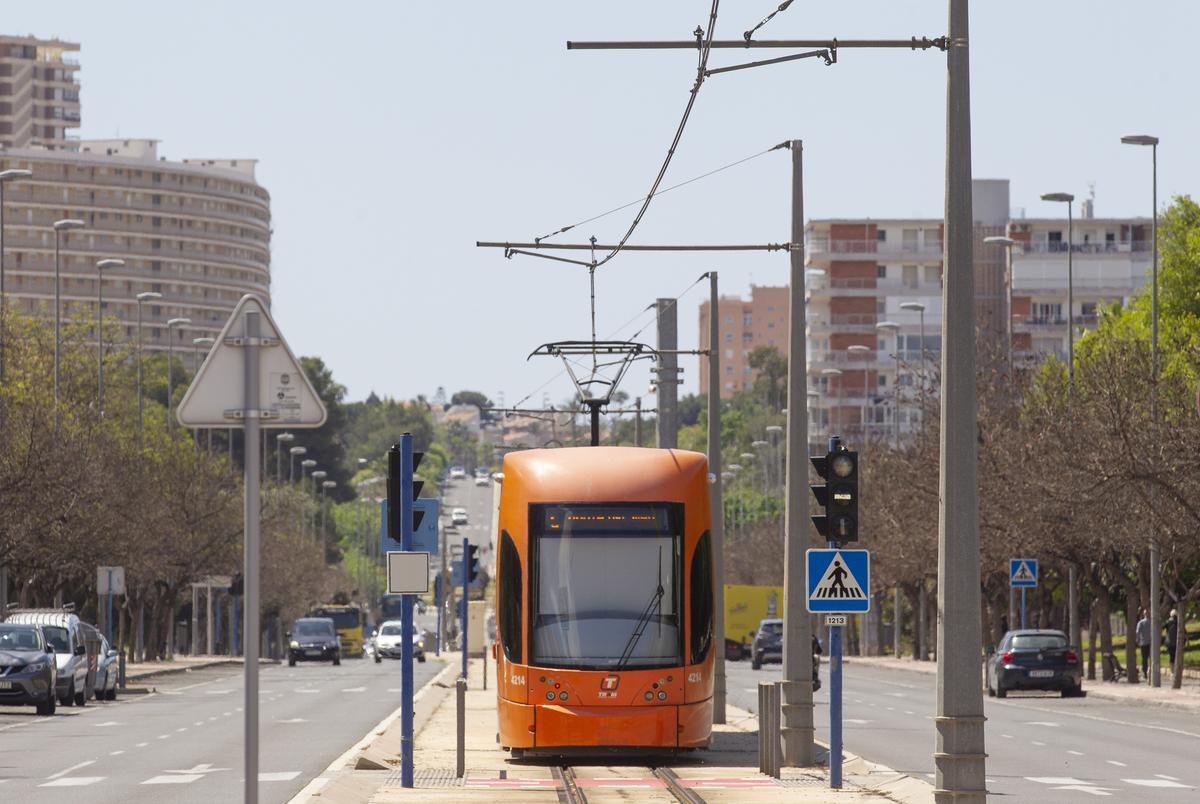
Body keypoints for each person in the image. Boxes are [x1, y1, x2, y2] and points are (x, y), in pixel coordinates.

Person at [1135, 608, 1152, 678]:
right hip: (1151, 643)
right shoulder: (1152, 622)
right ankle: (1150, 671)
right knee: (1151, 658)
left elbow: (1137, 632)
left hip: (1143, 643)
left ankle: (1145, 672)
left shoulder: (1141, 623)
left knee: (1144, 658)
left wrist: (1137, 640)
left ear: (1144, 614)